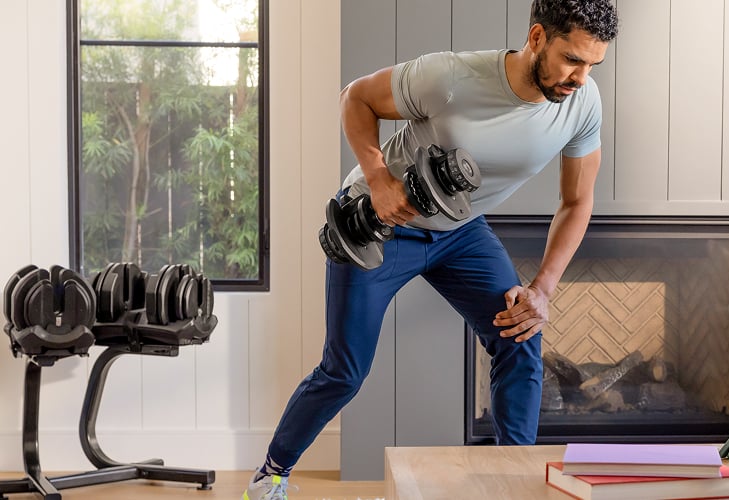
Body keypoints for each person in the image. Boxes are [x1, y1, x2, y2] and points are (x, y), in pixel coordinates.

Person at [243, 1, 618, 498]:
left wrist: (543, 287)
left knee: (521, 332)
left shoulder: (583, 102)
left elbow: (577, 201)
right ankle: (270, 475)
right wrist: (377, 179)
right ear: (536, 38)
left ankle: (516, 482)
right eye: (572, 59)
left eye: (593, 64)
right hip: (378, 221)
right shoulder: (451, 77)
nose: (581, 76)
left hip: (459, 230)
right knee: (345, 370)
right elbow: (355, 98)